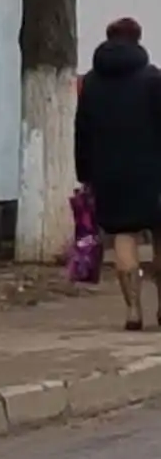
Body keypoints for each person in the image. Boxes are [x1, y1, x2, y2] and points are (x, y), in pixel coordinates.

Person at [74, 17, 161, 330]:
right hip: (154, 172)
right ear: (138, 40)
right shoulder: (153, 79)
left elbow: (82, 131)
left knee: (124, 236)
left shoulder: (92, 84)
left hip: (109, 174)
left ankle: (133, 311)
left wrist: (85, 172)